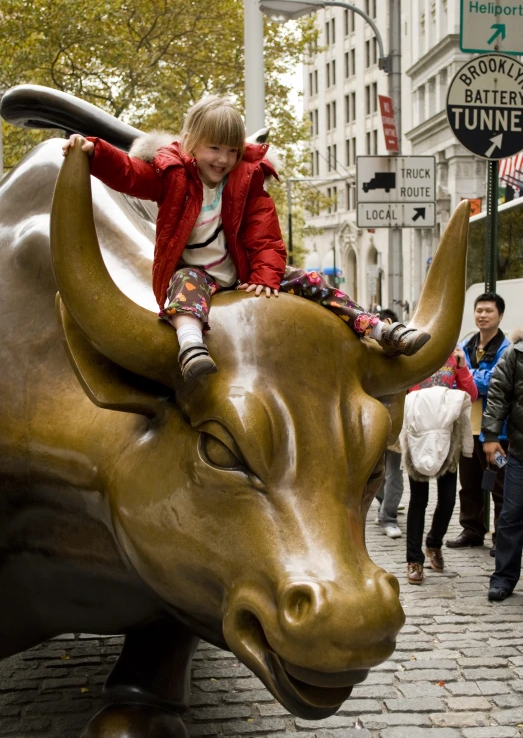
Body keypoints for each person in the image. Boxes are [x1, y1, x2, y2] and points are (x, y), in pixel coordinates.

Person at [62, 96, 430, 382]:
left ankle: (379, 329)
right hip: (198, 275)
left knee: (309, 280)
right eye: (214, 148)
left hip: (243, 274)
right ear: (190, 143)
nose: (223, 159)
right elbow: (130, 175)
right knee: (185, 285)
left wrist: (265, 278)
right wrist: (95, 152)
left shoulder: (246, 180)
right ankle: (191, 346)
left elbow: (265, 235)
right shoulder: (171, 174)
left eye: (232, 150)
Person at [402, 350, 477, 585]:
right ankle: (414, 560)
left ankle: (433, 544)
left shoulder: (453, 356)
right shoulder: (414, 355)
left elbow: (470, 395)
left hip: (447, 435)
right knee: (418, 500)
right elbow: (401, 392)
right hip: (419, 436)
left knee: (447, 500)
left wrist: (462, 366)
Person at [447, 293, 510, 553]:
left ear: (500, 315)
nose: (483, 315)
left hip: (497, 433)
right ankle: (472, 530)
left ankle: (502, 537)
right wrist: (464, 373)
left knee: (501, 486)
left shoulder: (506, 349)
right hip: (467, 430)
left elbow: (493, 383)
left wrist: (465, 373)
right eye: (479, 310)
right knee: (469, 484)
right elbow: (451, 374)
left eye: (489, 311)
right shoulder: (466, 343)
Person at [482, 337, 523, 601]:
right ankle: (504, 578)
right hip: (520, 450)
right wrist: (491, 436)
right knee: (511, 515)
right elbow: (497, 394)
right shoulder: (515, 354)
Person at [375, 308, 404, 539]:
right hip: (372, 422)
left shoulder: (405, 351)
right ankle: (384, 506)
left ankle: (389, 517)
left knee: (394, 472)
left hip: (396, 421)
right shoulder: (367, 346)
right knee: (374, 473)